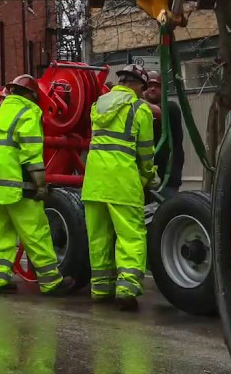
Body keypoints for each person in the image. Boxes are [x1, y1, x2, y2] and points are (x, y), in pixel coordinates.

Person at [0, 75, 73, 296]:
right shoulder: (27, 113)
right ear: (30, 95)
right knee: (36, 232)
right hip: (18, 184)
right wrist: (40, 185)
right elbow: (32, 154)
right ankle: (51, 282)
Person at [82, 64, 157, 311]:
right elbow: (145, 151)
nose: (143, 93)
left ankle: (101, 288)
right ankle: (126, 289)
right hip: (122, 181)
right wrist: (149, 177)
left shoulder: (98, 105)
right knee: (131, 236)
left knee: (99, 237)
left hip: (94, 181)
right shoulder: (139, 109)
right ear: (137, 84)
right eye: (143, 88)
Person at [144, 71, 184, 195]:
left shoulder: (171, 108)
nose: (152, 89)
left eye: (157, 86)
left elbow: (157, 112)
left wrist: (130, 98)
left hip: (168, 178)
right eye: (149, 86)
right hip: (147, 178)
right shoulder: (140, 113)